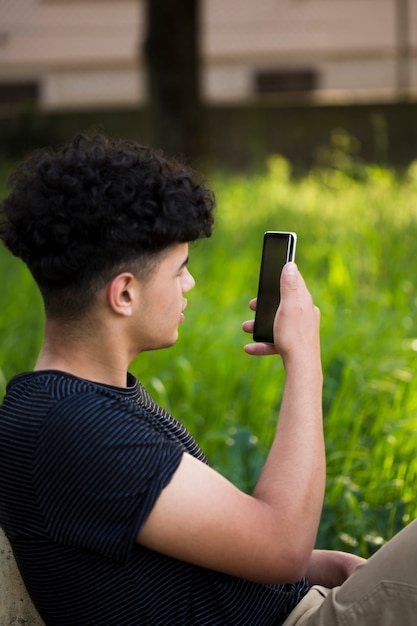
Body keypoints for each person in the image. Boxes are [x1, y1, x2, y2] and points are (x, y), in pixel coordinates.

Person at [0, 134, 415, 626]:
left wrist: (313, 565)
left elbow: (178, 553)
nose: (190, 284)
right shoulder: (79, 430)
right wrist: (305, 361)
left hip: (296, 600)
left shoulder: (64, 406)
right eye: (180, 270)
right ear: (125, 294)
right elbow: (280, 545)